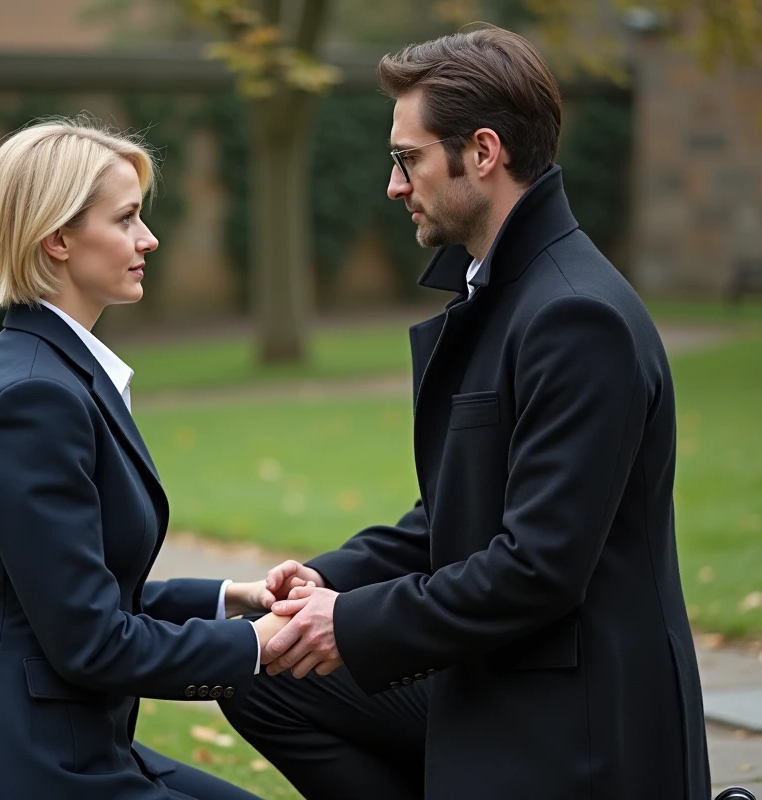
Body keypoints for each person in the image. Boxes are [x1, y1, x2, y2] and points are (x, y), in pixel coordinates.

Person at [220, 26, 711, 800]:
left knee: (290, 665)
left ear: (482, 153)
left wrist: (349, 622)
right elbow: (449, 518)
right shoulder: (502, 293)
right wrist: (321, 583)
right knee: (261, 677)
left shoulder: (578, 316)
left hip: (578, 723)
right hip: (495, 679)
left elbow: (536, 566)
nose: (394, 184)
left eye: (407, 159)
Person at [0, 118, 287, 800]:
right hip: (26, 766)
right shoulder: (33, 398)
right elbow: (92, 643)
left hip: (81, 746)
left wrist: (233, 601)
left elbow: (85, 598)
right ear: (57, 239)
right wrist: (263, 646)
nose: (149, 239)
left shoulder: (59, 372)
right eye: (128, 218)